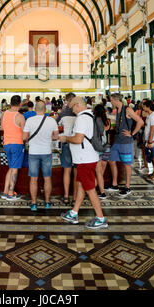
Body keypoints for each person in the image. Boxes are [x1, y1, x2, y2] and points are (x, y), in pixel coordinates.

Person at [60, 97, 108, 229]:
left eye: (72, 107)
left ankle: (100, 218)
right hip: (88, 157)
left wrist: (66, 138)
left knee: (90, 189)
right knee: (81, 185)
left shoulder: (81, 118)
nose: (72, 110)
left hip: (84, 159)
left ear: (77, 105)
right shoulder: (90, 115)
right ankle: (74, 213)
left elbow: (78, 139)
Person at [23, 100, 59, 211]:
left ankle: (34, 204)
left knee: (33, 179)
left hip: (33, 152)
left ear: (35, 110)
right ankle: (47, 202)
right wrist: (48, 138)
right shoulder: (51, 121)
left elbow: (24, 137)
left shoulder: (29, 120)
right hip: (46, 152)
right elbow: (56, 136)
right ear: (45, 110)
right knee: (47, 178)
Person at [107, 93, 143, 196]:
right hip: (117, 141)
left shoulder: (127, 109)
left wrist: (132, 133)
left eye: (112, 100)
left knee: (127, 164)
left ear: (116, 100)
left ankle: (127, 187)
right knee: (112, 160)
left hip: (126, 142)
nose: (111, 102)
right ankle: (114, 184)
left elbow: (140, 122)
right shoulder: (117, 110)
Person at [1, 95, 25, 200]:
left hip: (6, 144)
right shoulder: (20, 117)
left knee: (10, 168)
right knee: (15, 169)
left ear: (10, 103)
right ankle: (11, 193)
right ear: (20, 104)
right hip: (17, 144)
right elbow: (25, 134)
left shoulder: (4, 114)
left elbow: (2, 127)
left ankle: (5, 191)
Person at [56, 92, 76, 205]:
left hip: (67, 143)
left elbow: (56, 124)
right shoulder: (80, 113)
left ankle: (66, 196)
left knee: (67, 171)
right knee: (77, 171)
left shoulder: (64, 113)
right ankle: (75, 197)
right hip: (78, 143)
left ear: (67, 101)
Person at [93, 104, 111, 200]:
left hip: (99, 148)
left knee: (99, 172)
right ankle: (99, 189)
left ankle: (101, 192)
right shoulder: (107, 121)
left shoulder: (95, 121)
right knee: (101, 172)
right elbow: (107, 129)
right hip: (107, 147)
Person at [143, 100, 154, 180]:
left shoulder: (153, 116)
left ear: (148, 107)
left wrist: (150, 141)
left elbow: (152, 129)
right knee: (151, 156)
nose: (143, 108)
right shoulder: (149, 115)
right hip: (148, 140)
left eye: (144, 106)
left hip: (152, 140)